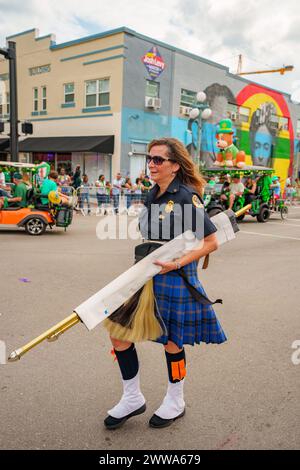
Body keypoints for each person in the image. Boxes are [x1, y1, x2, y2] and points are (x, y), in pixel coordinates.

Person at [103, 137, 226, 430]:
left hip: (175, 277)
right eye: (150, 158)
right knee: (118, 334)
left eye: (158, 159)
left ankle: (176, 399)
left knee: (172, 342)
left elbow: (211, 242)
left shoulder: (186, 195)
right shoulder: (150, 194)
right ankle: (132, 397)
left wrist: (178, 262)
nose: (151, 164)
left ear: (174, 165)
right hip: (145, 275)